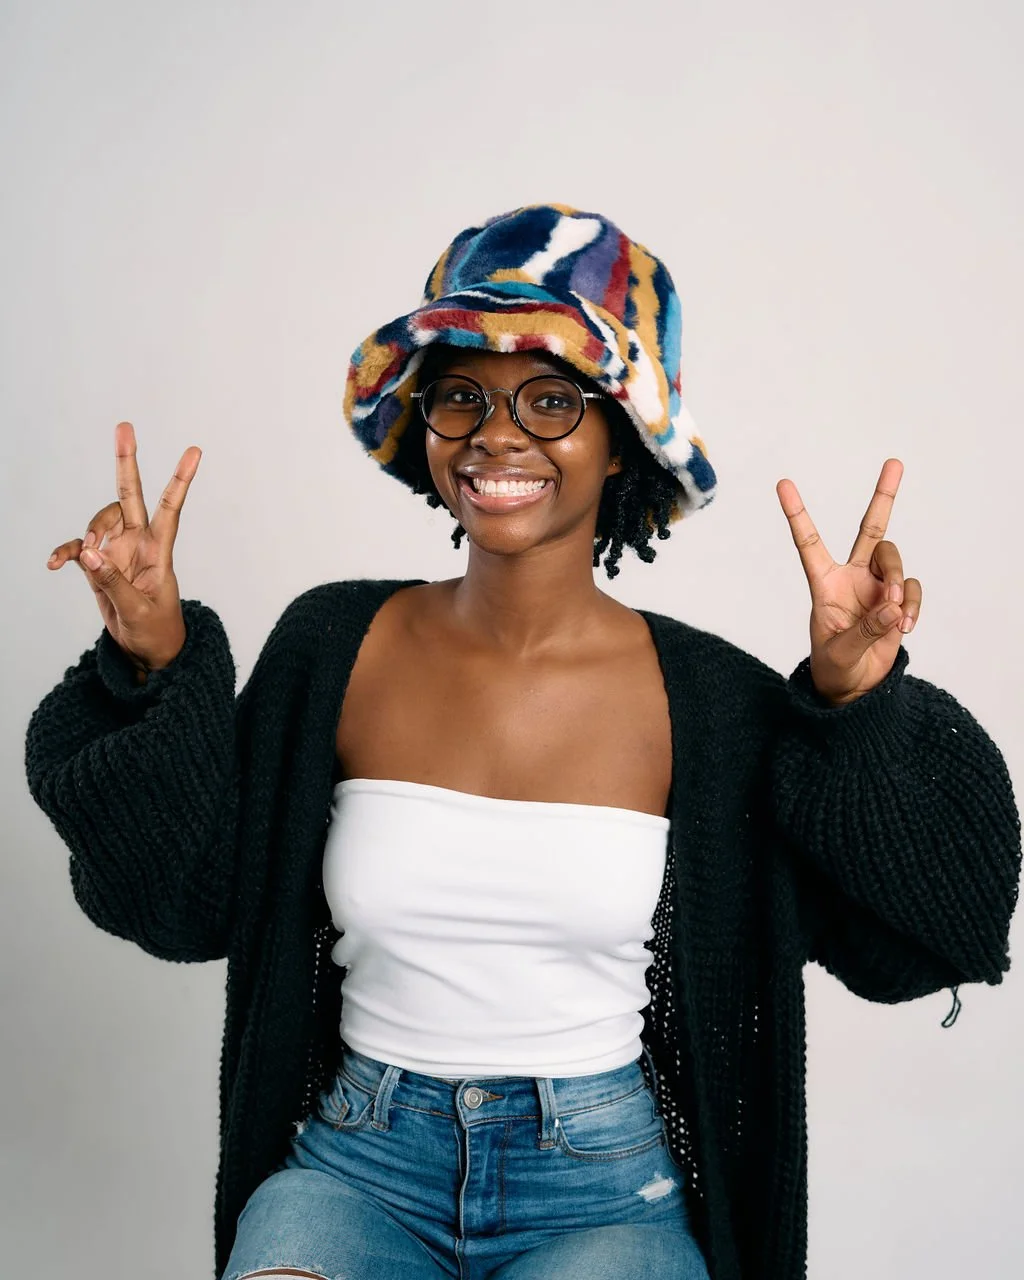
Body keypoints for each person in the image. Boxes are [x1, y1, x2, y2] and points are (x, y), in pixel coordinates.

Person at [25, 203, 1021, 1280]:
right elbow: (183, 902)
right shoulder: (335, 645)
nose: (497, 434)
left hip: (602, 1194)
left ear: (620, 439)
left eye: (552, 400)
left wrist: (856, 703)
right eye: (462, 395)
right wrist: (156, 658)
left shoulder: (710, 703)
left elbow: (935, 929)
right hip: (358, 1168)